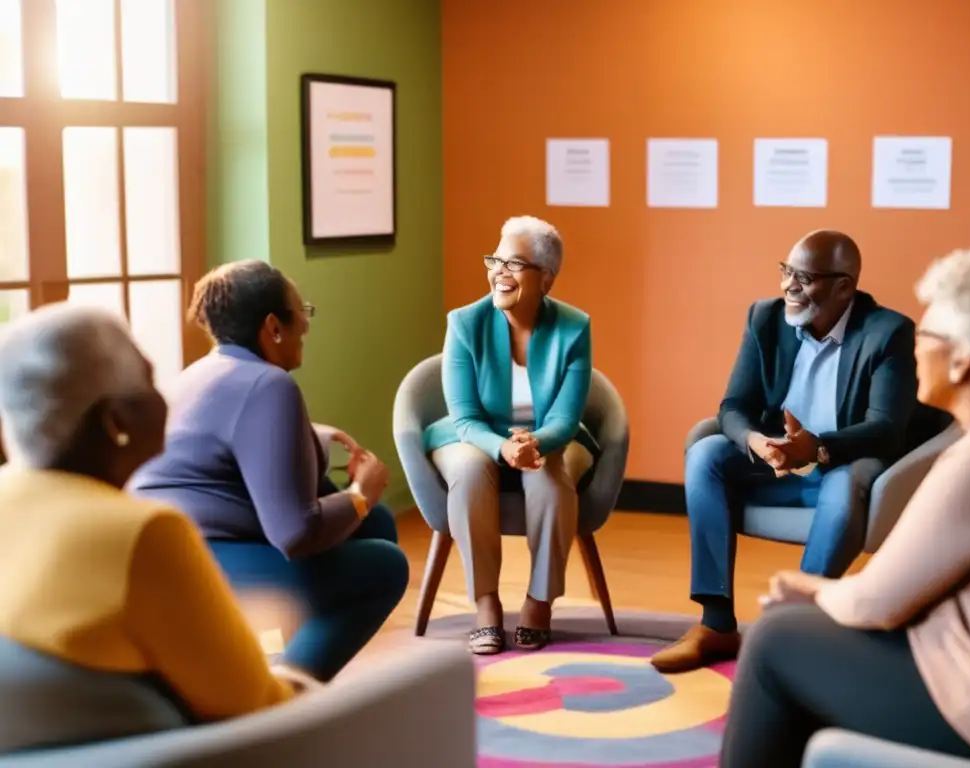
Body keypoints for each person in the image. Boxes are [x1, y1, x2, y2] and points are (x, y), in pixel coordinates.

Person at [719, 247, 970, 768]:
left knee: (774, 640)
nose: (915, 350)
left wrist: (806, 589)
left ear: (962, 360)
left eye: (927, 339)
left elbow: (875, 604)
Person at [0, 303, 313, 753]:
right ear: (117, 422)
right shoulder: (142, 532)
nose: (164, 395)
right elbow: (259, 708)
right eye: (149, 379)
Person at [652, 230, 919, 674]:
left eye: (805, 277)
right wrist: (758, 442)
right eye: (787, 272)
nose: (789, 286)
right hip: (775, 462)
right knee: (707, 453)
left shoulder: (887, 332)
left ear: (844, 287)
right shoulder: (765, 318)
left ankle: (788, 629)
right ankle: (716, 623)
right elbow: (734, 407)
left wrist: (816, 447)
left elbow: (887, 428)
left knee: (844, 484)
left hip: (841, 464)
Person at [129, 260, 408, 682]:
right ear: (274, 327)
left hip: (170, 553)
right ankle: (285, 692)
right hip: (203, 562)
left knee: (376, 524)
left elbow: (232, 451)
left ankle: (284, 657)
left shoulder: (202, 371)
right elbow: (294, 534)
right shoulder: (269, 385)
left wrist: (309, 437)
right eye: (303, 313)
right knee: (386, 564)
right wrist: (361, 492)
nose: (307, 327)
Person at [423, 216, 598, 654]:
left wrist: (534, 445)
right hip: (475, 436)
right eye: (495, 259)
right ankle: (486, 607)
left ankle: (539, 603)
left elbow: (565, 415)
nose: (499, 272)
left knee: (551, 478)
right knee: (467, 469)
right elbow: (463, 417)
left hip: (550, 436)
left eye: (514, 263)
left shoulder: (574, 328)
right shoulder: (465, 323)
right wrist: (503, 447)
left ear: (546, 279)